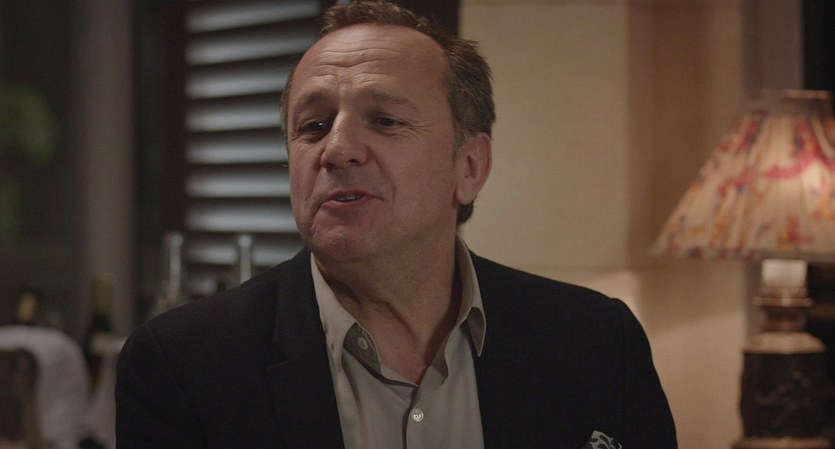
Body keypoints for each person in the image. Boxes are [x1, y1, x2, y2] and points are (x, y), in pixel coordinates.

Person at [115, 1, 677, 448]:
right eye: (313, 126)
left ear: (469, 167)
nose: (337, 149)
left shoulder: (598, 343)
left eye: (384, 120)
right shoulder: (183, 365)